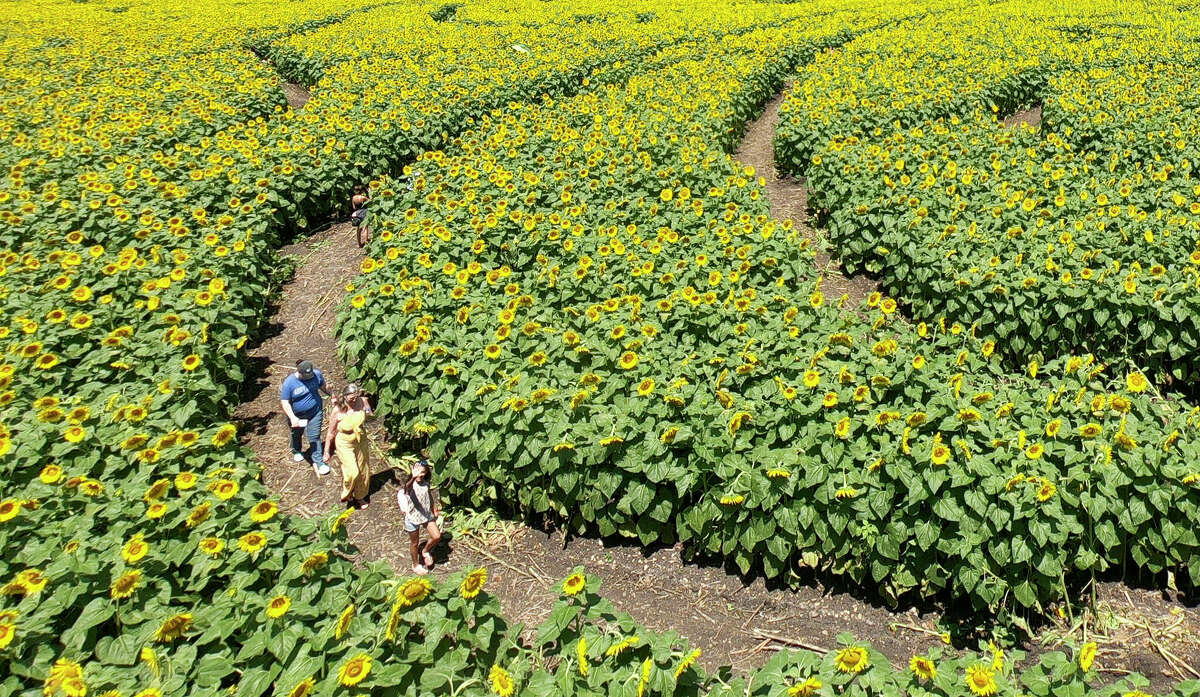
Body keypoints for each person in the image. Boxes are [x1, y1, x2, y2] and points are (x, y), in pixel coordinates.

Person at [324, 384, 373, 509]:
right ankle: (348, 492)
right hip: (344, 443)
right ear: (345, 397)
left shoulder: (362, 401)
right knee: (352, 471)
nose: (354, 400)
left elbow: (369, 413)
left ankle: (360, 496)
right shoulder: (338, 411)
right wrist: (326, 452)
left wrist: (367, 412)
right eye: (351, 398)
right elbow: (330, 432)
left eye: (356, 397)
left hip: (360, 440)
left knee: (363, 469)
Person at [279, 359, 332, 475]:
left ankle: (319, 461)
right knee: (296, 433)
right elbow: (285, 403)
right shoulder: (289, 383)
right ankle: (296, 450)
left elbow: (323, 387)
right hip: (297, 415)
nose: (309, 377)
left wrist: (331, 394)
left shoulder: (316, 374)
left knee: (314, 436)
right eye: (306, 375)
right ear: (299, 372)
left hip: (315, 412)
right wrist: (293, 418)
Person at [397, 455, 441, 575]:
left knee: (436, 536)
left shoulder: (425, 482)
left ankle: (425, 550)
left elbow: (429, 495)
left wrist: (434, 507)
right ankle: (415, 564)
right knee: (414, 543)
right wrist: (413, 477)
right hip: (413, 518)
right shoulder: (410, 485)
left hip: (426, 515)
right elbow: (407, 488)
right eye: (418, 472)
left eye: (423, 472)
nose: (420, 475)